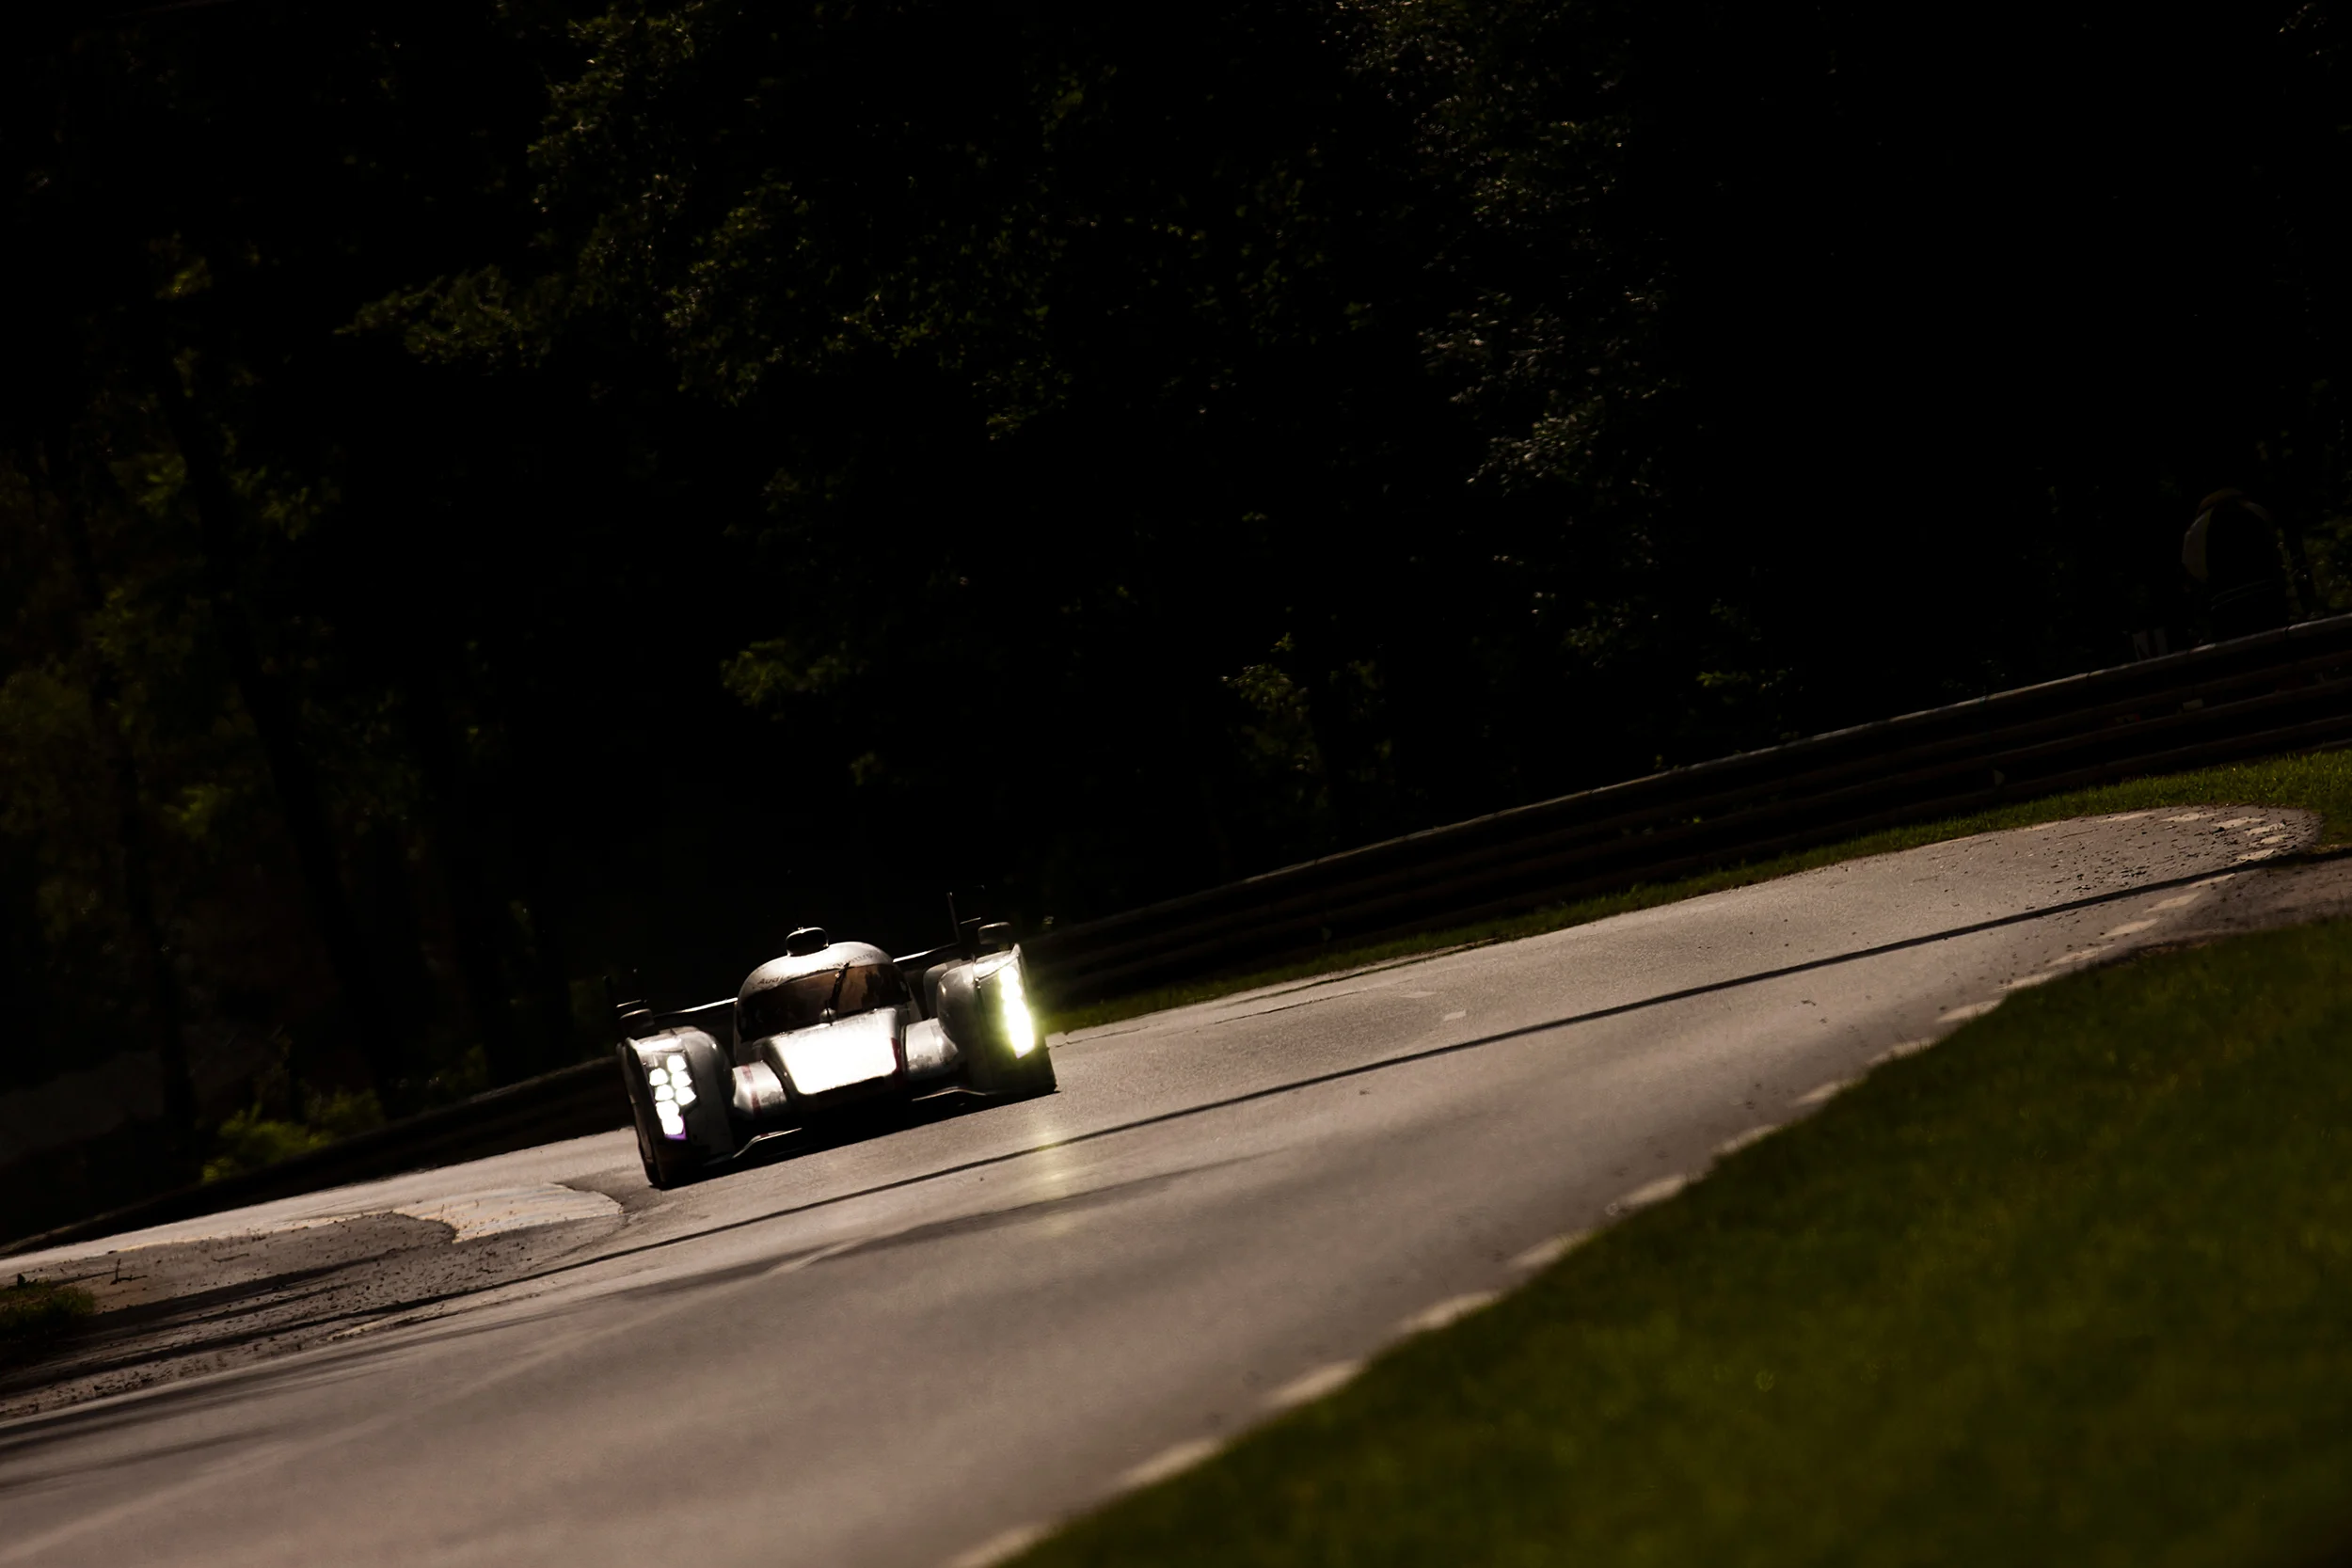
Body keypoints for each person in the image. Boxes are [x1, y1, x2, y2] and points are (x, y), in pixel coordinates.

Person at [2182, 489, 2290, 641]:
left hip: (2225, 608)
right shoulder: (2255, 511)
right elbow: (2275, 550)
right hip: (2268, 598)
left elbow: (2196, 571)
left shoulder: (2195, 531)